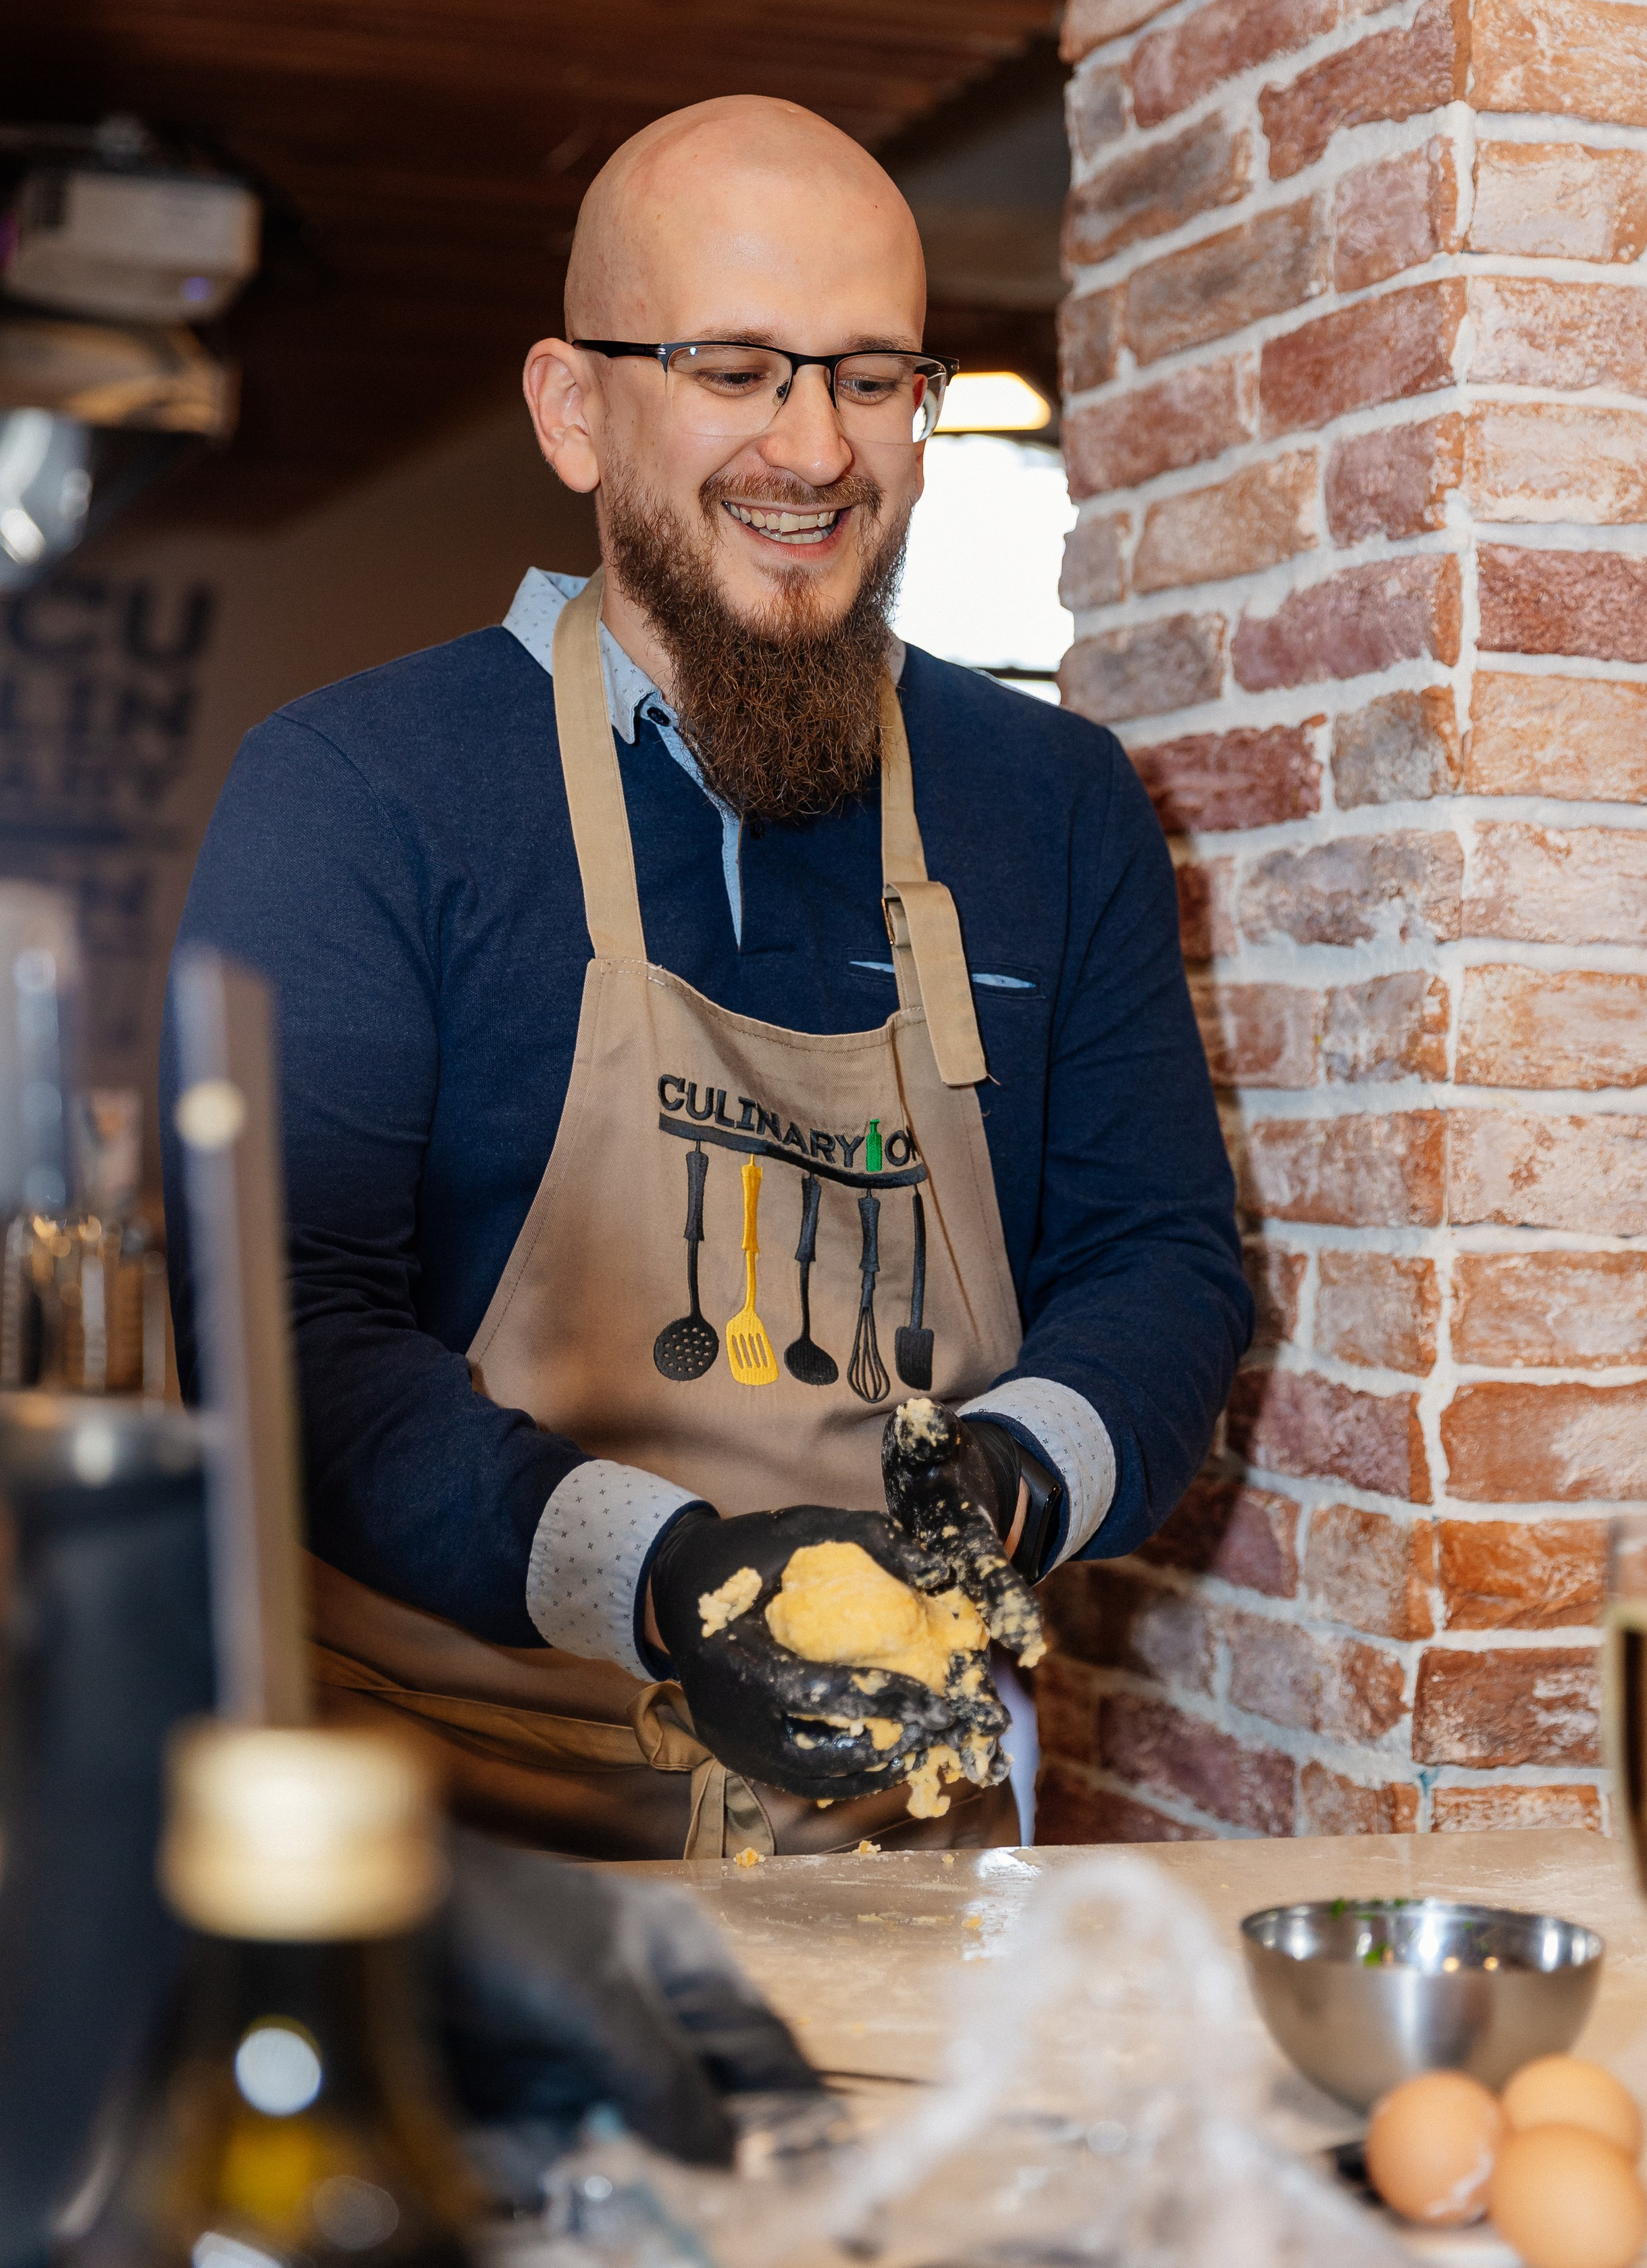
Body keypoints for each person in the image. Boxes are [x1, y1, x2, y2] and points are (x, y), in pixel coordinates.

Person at [161, 95, 1251, 1860]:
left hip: (905, 1830)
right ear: (573, 409)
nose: (814, 448)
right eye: (735, 370)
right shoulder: (356, 790)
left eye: (872, 376)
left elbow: (1160, 1261)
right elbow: (281, 1327)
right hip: (441, 1823)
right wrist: (666, 1578)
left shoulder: (1055, 805)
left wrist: (1005, 1484)